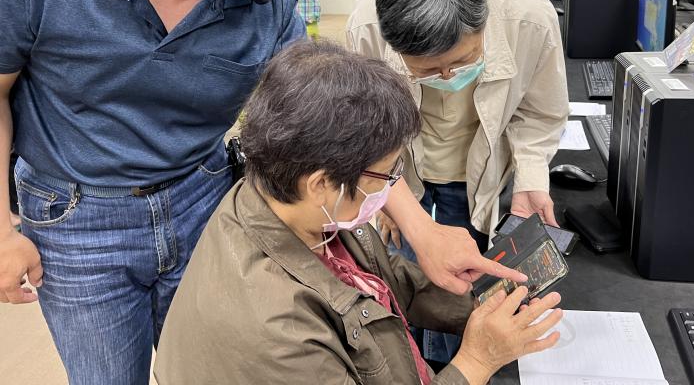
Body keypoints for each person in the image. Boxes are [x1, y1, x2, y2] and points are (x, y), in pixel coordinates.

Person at [0, 0, 528, 384]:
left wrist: (422, 232)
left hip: (201, 197)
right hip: (79, 215)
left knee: (214, 356)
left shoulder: (267, 7)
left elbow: (338, 131)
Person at [154, 40, 563, 385]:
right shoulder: (277, 333)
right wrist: (476, 361)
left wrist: (479, 306)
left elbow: (377, 281)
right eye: (386, 174)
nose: (391, 188)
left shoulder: (291, 202)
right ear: (321, 183)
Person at [347, 0, 569, 363]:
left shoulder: (529, 18)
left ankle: (452, 360)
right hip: (403, 164)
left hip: (474, 167)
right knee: (407, 270)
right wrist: (389, 196)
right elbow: (364, 131)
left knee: (465, 276)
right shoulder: (367, 28)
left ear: (483, 24)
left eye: (462, 62)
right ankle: (420, 360)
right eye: (429, 71)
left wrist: (532, 178)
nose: (448, 78)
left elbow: (541, 112)